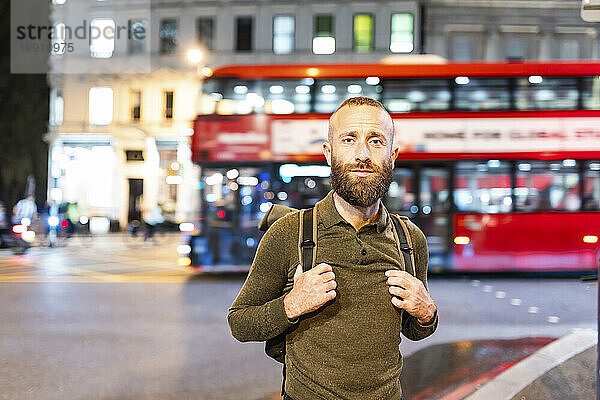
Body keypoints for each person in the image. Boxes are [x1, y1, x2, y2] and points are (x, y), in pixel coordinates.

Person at [227, 96, 438, 400]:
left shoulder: (410, 239)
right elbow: (240, 322)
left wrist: (427, 312)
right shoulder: (289, 232)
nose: (362, 154)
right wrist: (291, 305)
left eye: (376, 141)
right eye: (349, 139)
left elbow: (415, 330)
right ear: (329, 152)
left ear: (392, 155)